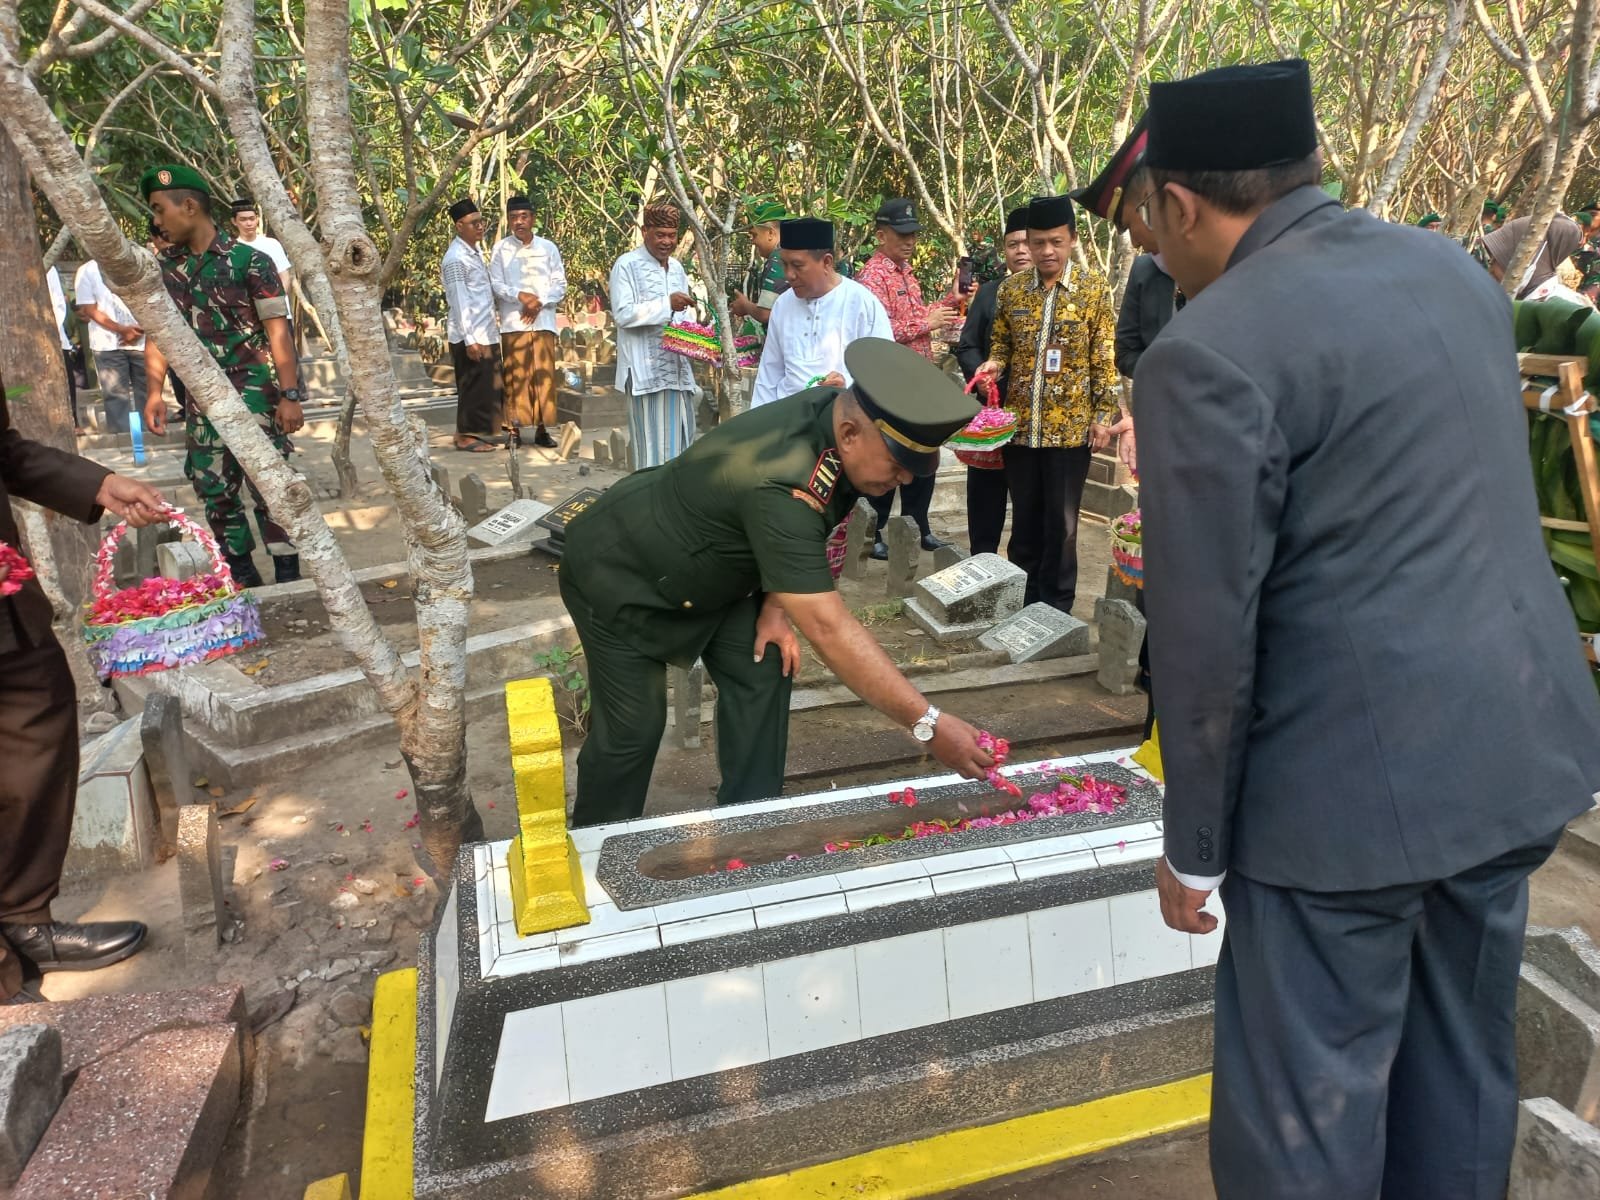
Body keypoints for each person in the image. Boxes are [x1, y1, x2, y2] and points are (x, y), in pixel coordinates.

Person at [1133, 59, 1600, 1200]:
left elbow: (1204, 639)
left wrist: (1194, 838)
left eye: (1146, 218)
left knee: (1303, 1120)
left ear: (1183, 203)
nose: (1149, 246)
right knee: (1458, 1073)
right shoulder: (1447, 270)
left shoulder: (1208, 349)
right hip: (1509, 758)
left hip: (1340, 804)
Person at [559, 337, 993, 826]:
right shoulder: (783, 482)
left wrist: (776, 606)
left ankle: (749, 823)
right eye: (897, 465)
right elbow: (828, 627)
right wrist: (928, 725)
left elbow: (807, 529)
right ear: (849, 434)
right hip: (623, 569)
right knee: (633, 729)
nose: (905, 480)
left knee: (764, 666)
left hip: (717, 571)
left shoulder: (835, 416)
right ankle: (596, 844)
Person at [1, 370, 167, 1005]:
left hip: (5, 596)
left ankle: (24, 918)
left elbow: (4, 449)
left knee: (36, 733)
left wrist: (99, 484)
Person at [141, 163, 305, 587]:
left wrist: (290, 394)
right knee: (214, 490)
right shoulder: (165, 270)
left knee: (272, 488)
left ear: (190, 206)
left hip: (258, 398)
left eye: (160, 210)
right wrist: (154, 393)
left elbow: (278, 331)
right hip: (202, 403)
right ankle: (243, 574)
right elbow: (158, 334)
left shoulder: (250, 261)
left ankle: (289, 574)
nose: (157, 221)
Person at [974, 195, 1118, 614]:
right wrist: (994, 363)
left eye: (1055, 242)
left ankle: (1055, 607)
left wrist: (1104, 415)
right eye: (1038, 243)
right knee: (1025, 522)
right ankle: (1024, 600)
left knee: (1063, 525)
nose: (1045, 252)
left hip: (1070, 430)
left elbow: (1103, 357)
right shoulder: (1012, 290)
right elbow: (1002, 343)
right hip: (1021, 427)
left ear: (1072, 240)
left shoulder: (1092, 291)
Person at [856, 198, 966, 557]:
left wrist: (950, 302)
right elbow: (874, 332)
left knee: (924, 456)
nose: (910, 241)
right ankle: (872, 534)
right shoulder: (872, 277)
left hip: (917, 380)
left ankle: (918, 527)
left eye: (914, 235)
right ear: (880, 234)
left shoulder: (905, 272)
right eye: (902, 234)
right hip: (889, 384)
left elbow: (920, 316)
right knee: (888, 458)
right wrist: (925, 323)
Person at [750, 218, 890, 407]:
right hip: (787, 420)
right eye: (785, 264)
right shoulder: (783, 304)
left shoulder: (862, 303)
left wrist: (847, 387)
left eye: (798, 266)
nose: (789, 275)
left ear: (826, 262)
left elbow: (884, 373)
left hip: (844, 421)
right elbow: (769, 374)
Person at [955, 206, 1031, 554]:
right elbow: (968, 344)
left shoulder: (1058, 298)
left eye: (1029, 243)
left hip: (1034, 421)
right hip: (990, 415)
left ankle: (1022, 574)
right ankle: (980, 562)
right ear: (1005, 250)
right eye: (1013, 243)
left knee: (1030, 508)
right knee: (985, 499)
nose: (1022, 250)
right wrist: (981, 375)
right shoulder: (988, 294)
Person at [609, 201, 700, 468]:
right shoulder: (626, 265)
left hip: (679, 372)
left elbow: (683, 318)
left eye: (672, 235)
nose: (666, 241)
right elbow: (623, 314)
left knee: (683, 446)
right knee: (653, 453)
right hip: (644, 374)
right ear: (644, 231)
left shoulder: (678, 269)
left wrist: (697, 339)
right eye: (660, 234)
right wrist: (666, 305)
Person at [489, 195, 567, 448]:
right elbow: (496, 284)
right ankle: (514, 431)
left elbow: (560, 284)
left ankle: (542, 430)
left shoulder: (548, 248)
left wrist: (538, 302)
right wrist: (520, 296)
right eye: (513, 218)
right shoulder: (501, 249)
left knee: (543, 379)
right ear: (509, 220)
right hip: (514, 323)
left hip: (543, 322)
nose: (519, 222)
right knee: (516, 378)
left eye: (524, 217)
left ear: (533, 218)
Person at [440, 198, 504, 453]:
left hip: (485, 330)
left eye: (481, 222)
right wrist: (470, 339)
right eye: (473, 223)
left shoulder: (474, 252)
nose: (480, 227)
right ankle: (466, 437)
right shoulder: (455, 259)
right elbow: (459, 300)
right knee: (472, 386)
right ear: (459, 226)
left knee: (485, 386)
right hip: (470, 334)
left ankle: (468, 432)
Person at [74, 256, 145, 435]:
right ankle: (122, 441)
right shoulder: (87, 270)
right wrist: (121, 330)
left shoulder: (137, 261)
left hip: (142, 339)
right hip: (106, 342)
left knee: (148, 390)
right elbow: (89, 309)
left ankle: (152, 435)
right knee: (115, 395)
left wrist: (138, 330)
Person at [1483, 213, 1589, 304]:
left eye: (1500, 258)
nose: (1490, 268)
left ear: (1532, 258)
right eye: (1491, 260)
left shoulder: (1561, 310)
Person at [729, 201, 788, 333]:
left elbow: (765, 314)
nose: (753, 241)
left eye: (754, 235)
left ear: (770, 233)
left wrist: (745, 305)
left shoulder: (778, 258)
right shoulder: (791, 254)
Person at [45, 265, 79, 430]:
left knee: (65, 381)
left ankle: (73, 420)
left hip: (54, 336)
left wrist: (48, 331)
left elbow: (58, 303)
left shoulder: (48, 267)